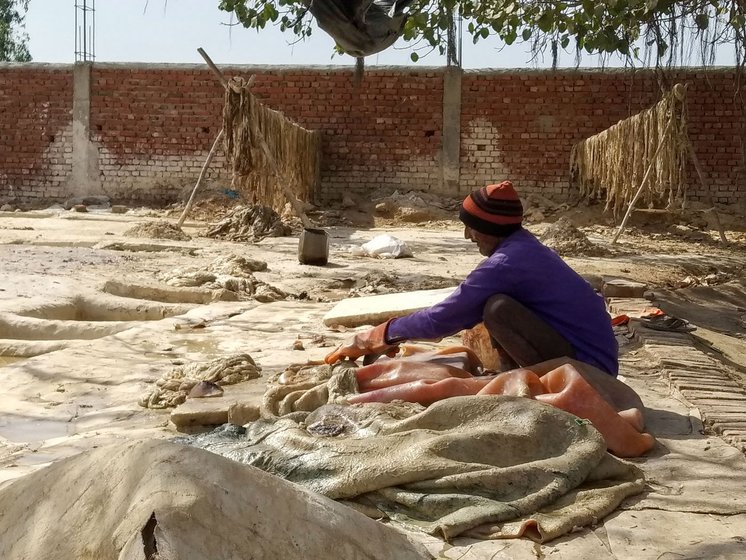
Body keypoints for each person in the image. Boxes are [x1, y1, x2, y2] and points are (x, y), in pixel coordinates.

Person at [325, 181, 619, 377]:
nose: (468, 237)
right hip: (594, 358)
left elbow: (442, 318)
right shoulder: (525, 247)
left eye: (472, 228)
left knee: (495, 309)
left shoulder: (505, 264)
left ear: (489, 228)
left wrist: (375, 336)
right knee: (487, 307)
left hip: (589, 370)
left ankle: (541, 380)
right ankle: (515, 373)